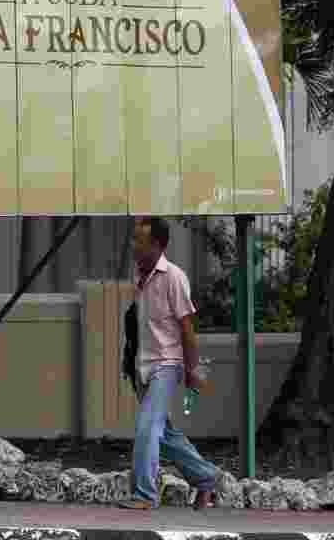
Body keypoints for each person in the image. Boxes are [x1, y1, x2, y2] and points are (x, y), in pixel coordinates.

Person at [117, 217, 218, 511]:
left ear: (158, 245)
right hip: (142, 366)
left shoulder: (174, 277)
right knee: (164, 434)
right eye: (134, 239)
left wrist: (192, 369)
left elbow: (187, 329)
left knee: (147, 426)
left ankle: (144, 495)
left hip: (166, 365)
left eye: (140, 241)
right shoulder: (139, 276)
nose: (134, 246)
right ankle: (207, 478)